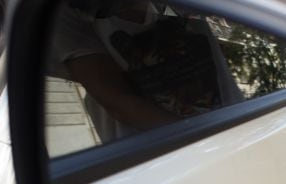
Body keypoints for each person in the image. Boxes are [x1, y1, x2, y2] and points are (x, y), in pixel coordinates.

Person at [48, 0, 244, 144]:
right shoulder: (67, 13)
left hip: (239, 133)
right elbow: (119, 103)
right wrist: (207, 141)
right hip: (162, 164)